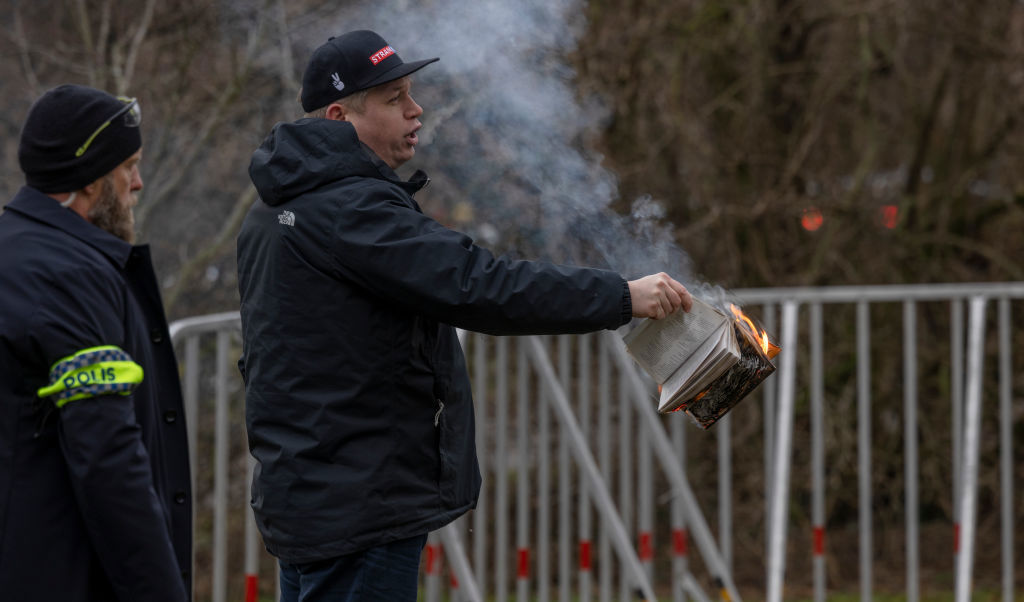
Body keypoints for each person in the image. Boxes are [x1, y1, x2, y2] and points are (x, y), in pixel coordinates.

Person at [236, 30, 692, 601]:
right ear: (338, 116)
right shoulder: (352, 209)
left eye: (411, 92)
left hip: (311, 495)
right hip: (360, 502)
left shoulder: (275, 208)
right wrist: (622, 296)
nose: (416, 109)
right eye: (394, 98)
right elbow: (481, 285)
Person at [0, 85, 192, 601]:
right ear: (90, 179)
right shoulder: (68, 276)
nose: (138, 183)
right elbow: (107, 456)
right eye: (128, 167)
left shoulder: (13, 249)